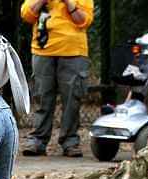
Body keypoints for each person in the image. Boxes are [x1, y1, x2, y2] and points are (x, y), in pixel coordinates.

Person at [19, 0, 93, 157]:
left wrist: (68, 3)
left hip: (73, 51)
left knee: (72, 99)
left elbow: (84, 20)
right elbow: (26, 15)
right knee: (42, 97)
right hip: (42, 50)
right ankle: (38, 141)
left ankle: (70, 142)